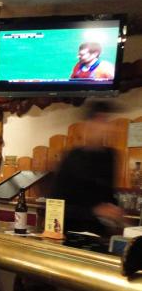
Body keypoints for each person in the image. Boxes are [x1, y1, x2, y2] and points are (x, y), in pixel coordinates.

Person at [51, 100, 124, 235]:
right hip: (72, 233)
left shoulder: (110, 156)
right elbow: (56, 205)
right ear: (88, 125)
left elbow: (108, 196)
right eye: (100, 121)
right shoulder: (72, 157)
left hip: (100, 234)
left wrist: (115, 211)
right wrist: (94, 211)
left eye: (106, 121)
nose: (106, 127)